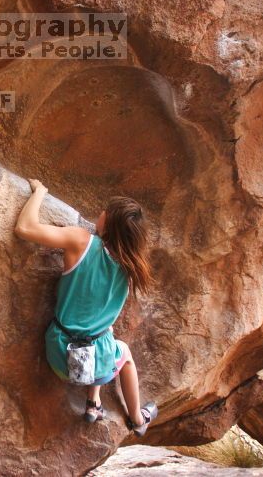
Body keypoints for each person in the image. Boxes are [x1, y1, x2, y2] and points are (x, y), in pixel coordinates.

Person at [14, 178, 158, 433]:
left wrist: (40, 192)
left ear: (109, 222)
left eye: (105, 211)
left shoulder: (81, 241)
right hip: (96, 365)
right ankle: (135, 418)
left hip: (59, 356)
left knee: (108, 339)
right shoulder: (132, 267)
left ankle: (101, 407)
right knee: (120, 351)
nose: (100, 213)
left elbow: (24, 228)